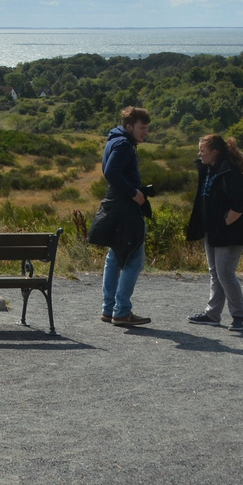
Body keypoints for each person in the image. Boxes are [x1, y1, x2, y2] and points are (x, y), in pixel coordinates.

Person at [90, 106, 154, 327]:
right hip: (126, 207)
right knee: (134, 259)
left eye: (146, 128)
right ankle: (122, 311)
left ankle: (109, 309)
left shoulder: (115, 140)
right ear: (129, 126)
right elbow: (111, 171)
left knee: (115, 256)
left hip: (115, 204)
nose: (145, 132)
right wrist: (132, 191)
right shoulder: (124, 144)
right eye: (142, 128)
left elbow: (111, 172)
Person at [185, 133, 243, 332]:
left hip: (230, 233)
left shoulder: (230, 173)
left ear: (215, 152)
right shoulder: (209, 170)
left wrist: (223, 224)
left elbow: (239, 205)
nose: (199, 154)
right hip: (213, 231)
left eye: (202, 150)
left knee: (225, 274)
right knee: (216, 273)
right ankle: (213, 314)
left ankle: (239, 316)